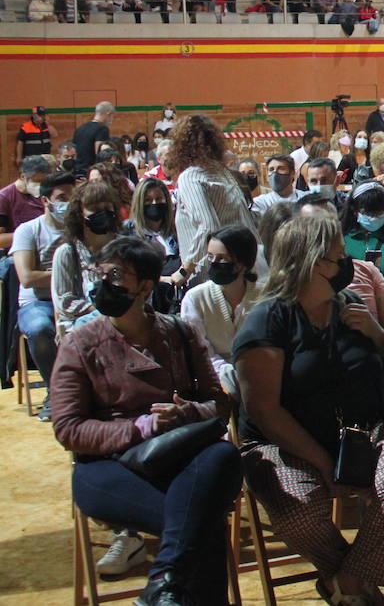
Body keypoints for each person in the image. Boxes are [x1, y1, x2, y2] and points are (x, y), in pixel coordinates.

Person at [233, 213, 384, 605]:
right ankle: (354, 584)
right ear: (309, 262)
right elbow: (265, 411)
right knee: (299, 509)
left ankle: (348, 584)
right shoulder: (267, 321)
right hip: (284, 441)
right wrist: (323, 462)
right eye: (339, 257)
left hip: (358, 430)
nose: (349, 265)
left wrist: (374, 332)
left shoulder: (349, 303)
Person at [51, 236, 240, 606]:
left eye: (117, 276)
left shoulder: (179, 334)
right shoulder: (81, 344)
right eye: (100, 273)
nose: (105, 283)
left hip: (179, 458)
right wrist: (141, 427)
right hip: (107, 467)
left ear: (146, 287)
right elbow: (68, 429)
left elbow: (219, 405)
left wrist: (185, 412)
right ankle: (166, 583)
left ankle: (164, 584)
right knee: (201, 524)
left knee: (223, 457)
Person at [11, 170, 76, 420]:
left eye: (72, 197)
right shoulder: (28, 231)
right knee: (39, 329)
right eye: (62, 197)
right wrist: (65, 272)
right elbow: (27, 277)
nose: (68, 203)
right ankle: (55, 392)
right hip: (38, 302)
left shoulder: (80, 228)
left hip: (73, 299)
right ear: (45, 201)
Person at [166, 115, 256, 279]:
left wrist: (185, 269)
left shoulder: (190, 177)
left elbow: (208, 226)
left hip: (211, 272)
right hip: (240, 267)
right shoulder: (224, 174)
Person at [180, 224, 261, 392]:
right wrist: (231, 375)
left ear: (242, 263)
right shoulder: (195, 298)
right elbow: (201, 353)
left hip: (260, 371)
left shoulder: (265, 295)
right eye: (210, 257)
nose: (214, 263)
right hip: (215, 378)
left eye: (222, 258)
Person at [51, 181, 124, 330]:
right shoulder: (67, 253)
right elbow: (65, 302)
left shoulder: (124, 247)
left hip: (122, 319)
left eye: (107, 208)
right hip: (81, 324)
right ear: (80, 215)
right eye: (95, 209)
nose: (103, 213)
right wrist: (103, 313)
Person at [0, 155, 49, 255]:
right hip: (17, 254)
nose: (41, 185)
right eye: (37, 181)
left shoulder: (45, 193)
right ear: (23, 177)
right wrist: (30, 234)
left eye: (44, 181)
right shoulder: (4, 197)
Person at [73, 100, 115, 170]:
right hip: (91, 168)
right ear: (108, 113)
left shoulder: (80, 128)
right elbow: (100, 153)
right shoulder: (102, 129)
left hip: (77, 168)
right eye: (112, 116)